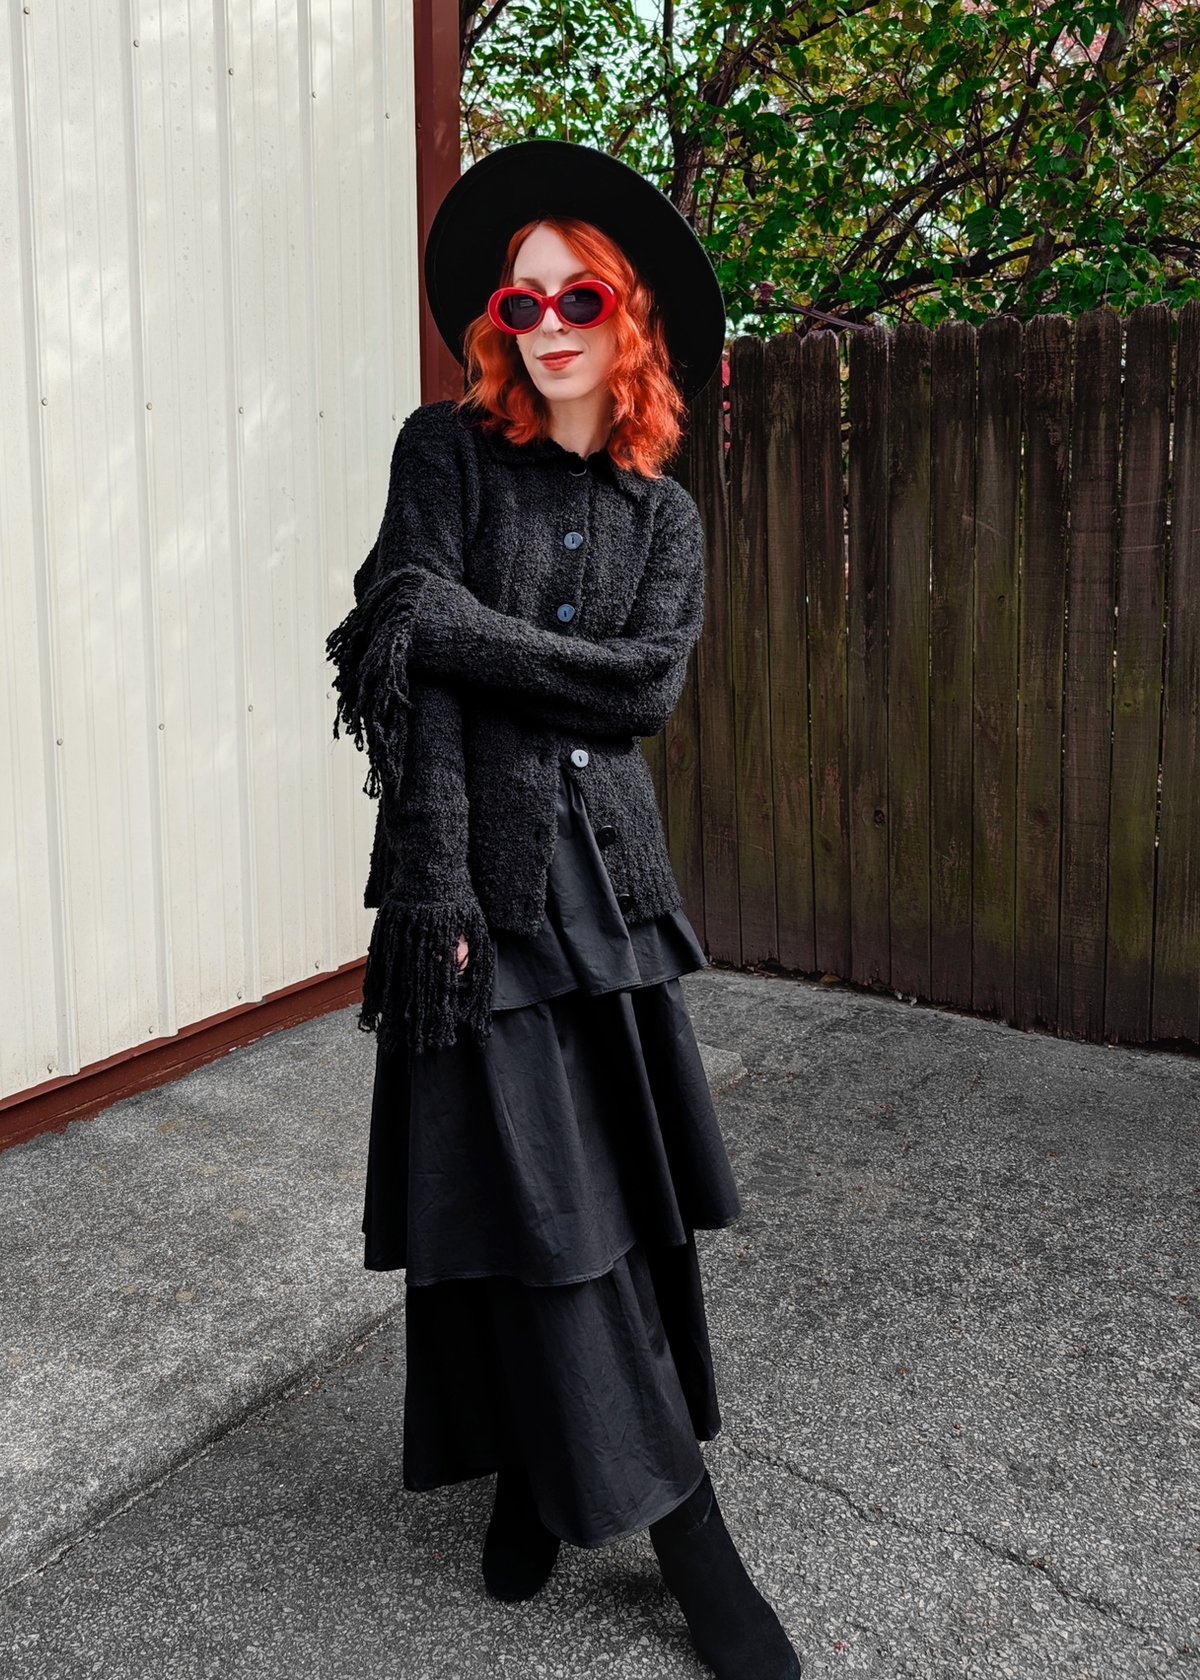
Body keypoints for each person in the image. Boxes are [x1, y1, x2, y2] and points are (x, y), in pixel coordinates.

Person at [326, 139, 802, 1680]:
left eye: (576, 293)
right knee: (542, 1221)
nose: (541, 319)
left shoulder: (664, 514)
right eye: (517, 297)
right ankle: (688, 1531)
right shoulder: (444, 451)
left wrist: (464, 625)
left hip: (618, 901)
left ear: (629, 319)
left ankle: (541, 1476)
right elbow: (405, 666)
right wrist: (446, 886)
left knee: (614, 1216)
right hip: (475, 902)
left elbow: (643, 689)